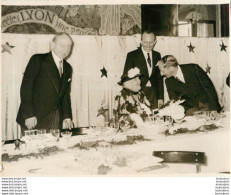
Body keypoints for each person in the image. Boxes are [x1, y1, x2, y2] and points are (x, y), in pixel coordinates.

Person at [16, 32, 74, 135]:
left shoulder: (68, 67)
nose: (66, 49)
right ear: (52, 45)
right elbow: (26, 89)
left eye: (69, 46)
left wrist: (67, 116)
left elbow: (65, 95)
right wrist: (29, 114)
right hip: (34, 119)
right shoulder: (37, 60)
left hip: (56, 118)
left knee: (55, 150)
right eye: (62, 45)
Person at [157, 55, 221, 115]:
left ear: (170, 67)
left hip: (207, 106)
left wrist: (214, 109)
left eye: (162, 70)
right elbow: (175, 101)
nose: (161, 74)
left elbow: (209, 88)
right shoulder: (168, 81)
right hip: (189, 111)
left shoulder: (194, 68)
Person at [123, 29, 163, 109]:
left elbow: (159, 78)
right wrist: (134, 95)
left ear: (155, 41)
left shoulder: (157, 55)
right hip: (138, 95)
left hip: (154, 94)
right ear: (141, 41)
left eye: (151, 42)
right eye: (145, 42)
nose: (148, 45)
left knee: (155, 119)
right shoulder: (132, 55)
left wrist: (160, 97)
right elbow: (126, 78)